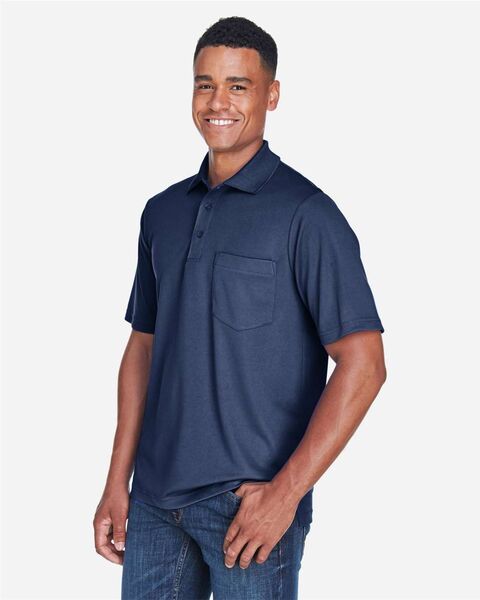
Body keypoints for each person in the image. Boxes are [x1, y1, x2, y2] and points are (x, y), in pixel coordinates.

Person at [93, 15, 387, 600]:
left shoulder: (307, 214)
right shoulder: (161, 212)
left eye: (238, 86)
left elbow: (365, 364)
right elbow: (143, 346)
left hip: (248, 507)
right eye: (205, 85)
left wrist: (286, 493)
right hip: (153, 503)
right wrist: (116, 481)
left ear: (271, 95)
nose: (218, 102)